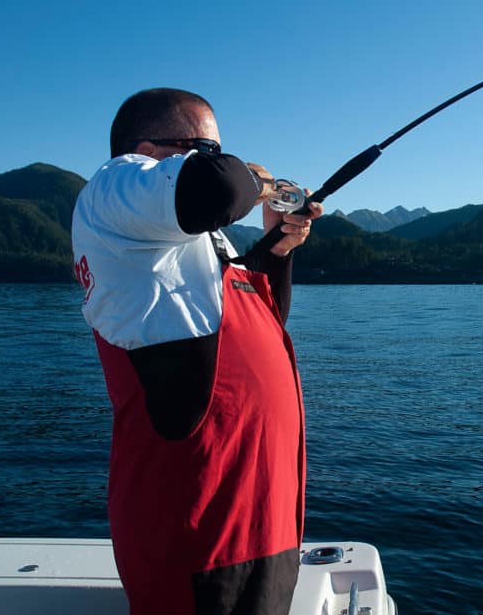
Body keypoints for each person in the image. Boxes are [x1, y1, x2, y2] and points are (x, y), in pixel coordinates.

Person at [71, 88, 323, 615]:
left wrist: (277, 247)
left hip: (262, 522)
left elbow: (259, 318)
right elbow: (217, 187)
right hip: (195, 532)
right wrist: (256, 179)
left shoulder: (193, 241)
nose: (219, 160)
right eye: (208, 149)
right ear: (147, 149)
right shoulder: (112, 186)